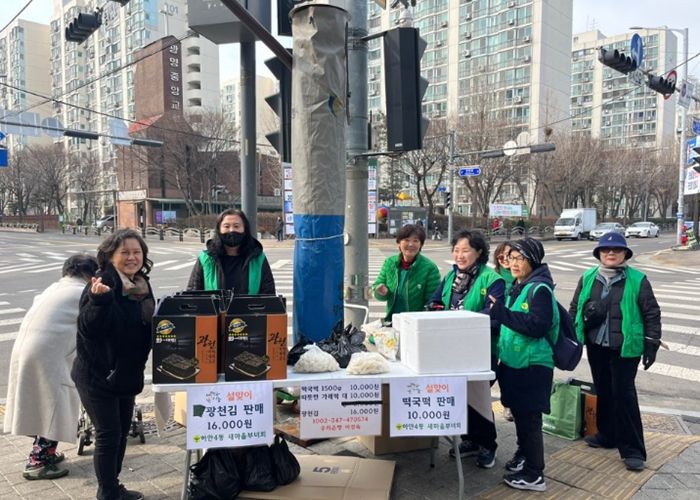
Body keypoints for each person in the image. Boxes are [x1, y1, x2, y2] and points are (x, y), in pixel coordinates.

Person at [71, 229, 155, 500]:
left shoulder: (140, 284)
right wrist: (99, 302)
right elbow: (88, 330)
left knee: (120, 434)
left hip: (125, 373)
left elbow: (144, 325)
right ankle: (107, 492)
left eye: (137, 252)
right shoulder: (102, 283)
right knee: (109, 434)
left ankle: (113, 486)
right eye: (125, 252)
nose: (132, 257)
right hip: (97, 374)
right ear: (110, 256)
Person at [569, 232, 661, 471]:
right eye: (606, 250)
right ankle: (607, 435)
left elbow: (651, 313)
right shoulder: (588, 277)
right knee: (604, 390)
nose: (611, 253)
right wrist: (571, 335)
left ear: (625, 254)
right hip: (597, 345)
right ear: (599, 253)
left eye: (617, 250)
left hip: (625, 348)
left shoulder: (638, 280)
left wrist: (652, 342)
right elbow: (575, 307)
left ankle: (633, 450)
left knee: (624, 394)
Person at [4, 255, 99, 481]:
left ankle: (44, 454)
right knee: (53, 406)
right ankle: (37, 463)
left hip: (26, 351)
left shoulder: (55, 288)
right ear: (89, 274)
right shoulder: (81, 292)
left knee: (40, 404)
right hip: (48, 357)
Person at [427, 229, 505, 469]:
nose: (459, 255)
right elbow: (436, 301)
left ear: (479, 252)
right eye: (456, 250)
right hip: (452, 348)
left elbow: (495, 314)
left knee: (479, 397)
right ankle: (470, 439)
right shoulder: (451, 276)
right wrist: (434, 308)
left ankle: (488, 445)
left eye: (465, 251)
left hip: (481, 349)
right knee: (460, 396)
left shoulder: (492, 279)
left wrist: (461, 320)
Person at [488, 238, 556, 492]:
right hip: (515, 362)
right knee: (520, 416)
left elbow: (537, 326)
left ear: (533, 260)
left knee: (529, 420)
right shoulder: (519, 285)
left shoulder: (540, 289)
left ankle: (535, 474)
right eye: (511, 258)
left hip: (532, 365)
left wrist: (501, 313)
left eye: (520, 258)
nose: (514, 263)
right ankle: (526, 459)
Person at [187, 209, 275, 294]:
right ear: (219, 229)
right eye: (226, 226)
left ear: (245, 229)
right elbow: (192, 294)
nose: (231, 230)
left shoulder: (258, 258)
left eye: (236, 226)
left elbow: (269, 294)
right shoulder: (206, 258)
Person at [372, 223, 441, 324]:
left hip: (416, 324)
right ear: (399, 243)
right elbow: (377, 288)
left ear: (421, 245)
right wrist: (381, 292)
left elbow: (432, 301)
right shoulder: (390, 263)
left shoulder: (430, 268)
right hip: (392, 322)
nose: (411, 244)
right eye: (406, 240)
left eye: (415, 241)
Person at [492, 241, 515, 422]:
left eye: (509, 256)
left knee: (509, 373)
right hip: (495, 332)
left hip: (512, 332)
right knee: (495, 371)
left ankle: (509, 405)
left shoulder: (521, 277)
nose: (505, 260)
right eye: (501, 257)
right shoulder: (493, 277)